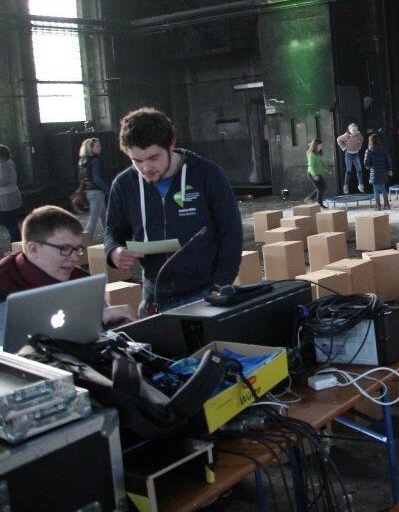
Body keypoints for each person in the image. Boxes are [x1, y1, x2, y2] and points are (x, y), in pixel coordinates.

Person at [104, 108, 242, 314]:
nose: (146, 168)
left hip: (204, 292)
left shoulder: (207, 175)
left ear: (171, 143)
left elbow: (231, 233)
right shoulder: (124, 184)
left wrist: (220, 285)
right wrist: (113, 251)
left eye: (153, 157)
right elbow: (113, 230)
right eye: (137, 161)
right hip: (154, 296)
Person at [0, 206, 133, 341]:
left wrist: (119, 325)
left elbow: (105, 319)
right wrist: (91, 321)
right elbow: (9, 349)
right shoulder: (5, 283)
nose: (75, 258)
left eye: (77, 249)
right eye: (65, 249)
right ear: (33, 249)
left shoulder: (80, 279)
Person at [78, 138, 110, 241]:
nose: (100, 147)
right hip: (96, 192)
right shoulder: (95, 161)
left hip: (88, 191)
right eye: (97, 146)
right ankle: (83, 244)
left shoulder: (82, 161)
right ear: (90, 148)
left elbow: (80, 178)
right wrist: (108, 190)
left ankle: (109, 238)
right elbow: (97, 179)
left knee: (103, 216)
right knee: (94, 219)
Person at [364, 134, 392, 210]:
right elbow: (388, 161)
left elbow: (366, 163)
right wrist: (390, 170)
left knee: (376, 190)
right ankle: (386, 205)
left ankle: (378, 206)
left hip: (374, 173)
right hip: (383, 172)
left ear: (370, 141)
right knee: (383, 189)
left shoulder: (368, 151)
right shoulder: (383, 150)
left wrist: (368, 166)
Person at [336, 123, 365, 194]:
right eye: (353, 130)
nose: (354, 131)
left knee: (359, 170)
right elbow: (339, 139)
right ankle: (345, 186)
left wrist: (359, 146)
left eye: (356, 130)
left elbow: (362, 139)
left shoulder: (359, 135)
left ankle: (360, 185)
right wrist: (344, 147)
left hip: (356, 154)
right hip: (348, 154)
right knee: (348, 170)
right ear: (349, 130)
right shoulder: (346, 136)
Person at [0, 145, 21, 244]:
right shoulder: (8, 162)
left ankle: (17, 248)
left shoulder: (3, 164)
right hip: (11, 195)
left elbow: (3, 181)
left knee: (11, 225)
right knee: (12, 224)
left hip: (6, 197)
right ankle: (18, 246)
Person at [305, 138, 328, 208]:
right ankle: (320, 204)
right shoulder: (311, 154)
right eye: (320, 145)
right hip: (312, 173)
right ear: (315, 146)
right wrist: (314, 175)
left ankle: (310, 198)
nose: (321, 147)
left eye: (321, 145)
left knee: (322, 187)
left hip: (317, 173)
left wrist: (326, 169)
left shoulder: (317, 154)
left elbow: (321, 162)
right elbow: (311, 166)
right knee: (320, 188)